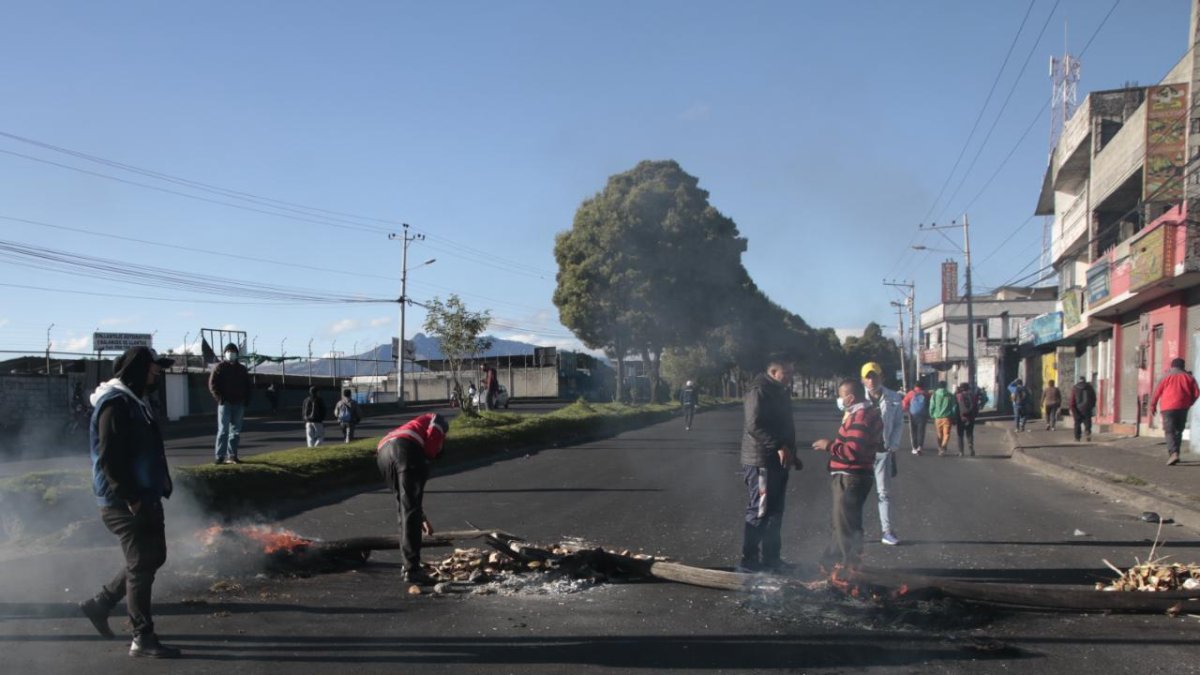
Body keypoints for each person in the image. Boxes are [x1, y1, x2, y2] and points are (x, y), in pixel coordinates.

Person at [78, 346, 180, 658]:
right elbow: (110, 459)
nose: (157, 373)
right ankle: (142, 636)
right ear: (138, 369)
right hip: (123, 501)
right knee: (141, 565)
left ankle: (101, 603)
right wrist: (132, 497)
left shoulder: (136, 401)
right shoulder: (115, 404)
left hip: (144, 495)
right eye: (154, 367)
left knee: (153, 557)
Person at [738, 355, 800, 573]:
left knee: (775, 511)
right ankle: (749, 560)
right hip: (761, 459)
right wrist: (779, 446)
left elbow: (785, 424)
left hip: (778, 460)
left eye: (793, 372)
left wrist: (792, 451)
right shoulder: (759, 391)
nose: (791, 377)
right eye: (787, 373)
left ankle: (772, 558)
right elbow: (754, 425)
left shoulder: (780, 391)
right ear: (774, 372)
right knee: (760, 510)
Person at [812, 378, 880, 568]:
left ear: (850, 398)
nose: (839, 400)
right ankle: (831, 563)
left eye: (841, 396)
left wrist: (829, 445)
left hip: (850, 477)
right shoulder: (866, 413)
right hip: (858, 475)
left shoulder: (860, 417)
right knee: (843, 522)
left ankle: (847, 568)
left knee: (845, 526)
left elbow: (853, 450)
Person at [377, 412, 451, 584]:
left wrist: (421, 517)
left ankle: (408, 566)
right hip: (405, 448)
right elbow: (431, 448)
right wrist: (428, 460)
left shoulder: (415, 425)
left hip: (383, 452)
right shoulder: (439, 419)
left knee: (404, 507)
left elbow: (408, 500)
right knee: (410, 509)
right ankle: (412, 569)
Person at [860, 362, 902, 546]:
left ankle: (887, 531)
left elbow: (899, 423)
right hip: (860, 454)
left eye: (874, 376)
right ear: (862, 379)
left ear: (881, 377)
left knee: (883, 493)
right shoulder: (855, 398)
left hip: (882, 452)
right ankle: (855, 533)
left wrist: (892, 446)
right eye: (868, 377)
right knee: (858, 493)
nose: (871, 380)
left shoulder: (893, 397)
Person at [1150, 357, 1200, 466]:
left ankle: (1173, 453)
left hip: (1167, 408)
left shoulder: (1165, 376)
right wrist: (1189, 403)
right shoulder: (1189, 377)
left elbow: (1156, 392)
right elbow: (1197, 393)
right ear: (1183, 366)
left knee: (1169, 431)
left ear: (1172, 366)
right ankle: (1176, 453)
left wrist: (1152, 406)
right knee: (1178, 431)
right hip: (1183, 408)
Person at [208, 342, 251, 465]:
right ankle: (219, 456)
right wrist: (220, 398)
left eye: (233, 352)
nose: (231, 354)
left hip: (239, 403)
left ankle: (232, 455)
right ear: (225, 353)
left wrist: (246, 399)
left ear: (237, 354)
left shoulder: (242, 369)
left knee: (235, 431)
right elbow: (212, 384)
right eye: (229, 351)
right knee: (223, 430)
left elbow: (248, 385)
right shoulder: (219, 367)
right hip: (225, 403)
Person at [929, 381, 957, 456]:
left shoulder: (934, 395)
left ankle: (940, 447)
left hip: (937, 417)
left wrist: (931, 415)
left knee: (939, 434)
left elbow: (932, 406)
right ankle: (943, 447)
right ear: (945, 386)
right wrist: (953, 415)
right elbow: (954, 407)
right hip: (947, 417)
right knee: (946, 434)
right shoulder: (950, 395)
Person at [901, 382, 929, 455]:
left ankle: (914, 448)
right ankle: (920, 447)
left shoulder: (911, 393)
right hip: (923, 415)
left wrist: (907, 409)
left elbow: (904, 403)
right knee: (921, 431)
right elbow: (929, 404)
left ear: (914, 386)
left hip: (912, 414)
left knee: (913, 431)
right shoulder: (926, 394)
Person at [1069, 376, 1097, 443]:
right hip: (1087, 407)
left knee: (1077, 423)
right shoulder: (1090, 387)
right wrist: (1092, 406)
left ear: (1079, 381)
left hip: (1077, 408)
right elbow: (1094, 398)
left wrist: (1071, 407)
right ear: (1085, 380)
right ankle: (1087, 432)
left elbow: (1072, 399)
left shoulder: (1075, 388)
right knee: (1087, 421)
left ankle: (1077, 437)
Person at [955, 383, 979, 456]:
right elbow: (976, 406)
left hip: (961, 417)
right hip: (970, 417)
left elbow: (955, 406)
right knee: (969, 433)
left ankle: (961, 451)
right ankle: (971, 448)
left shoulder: (958, 396)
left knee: (960, 434)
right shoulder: (972, 395)